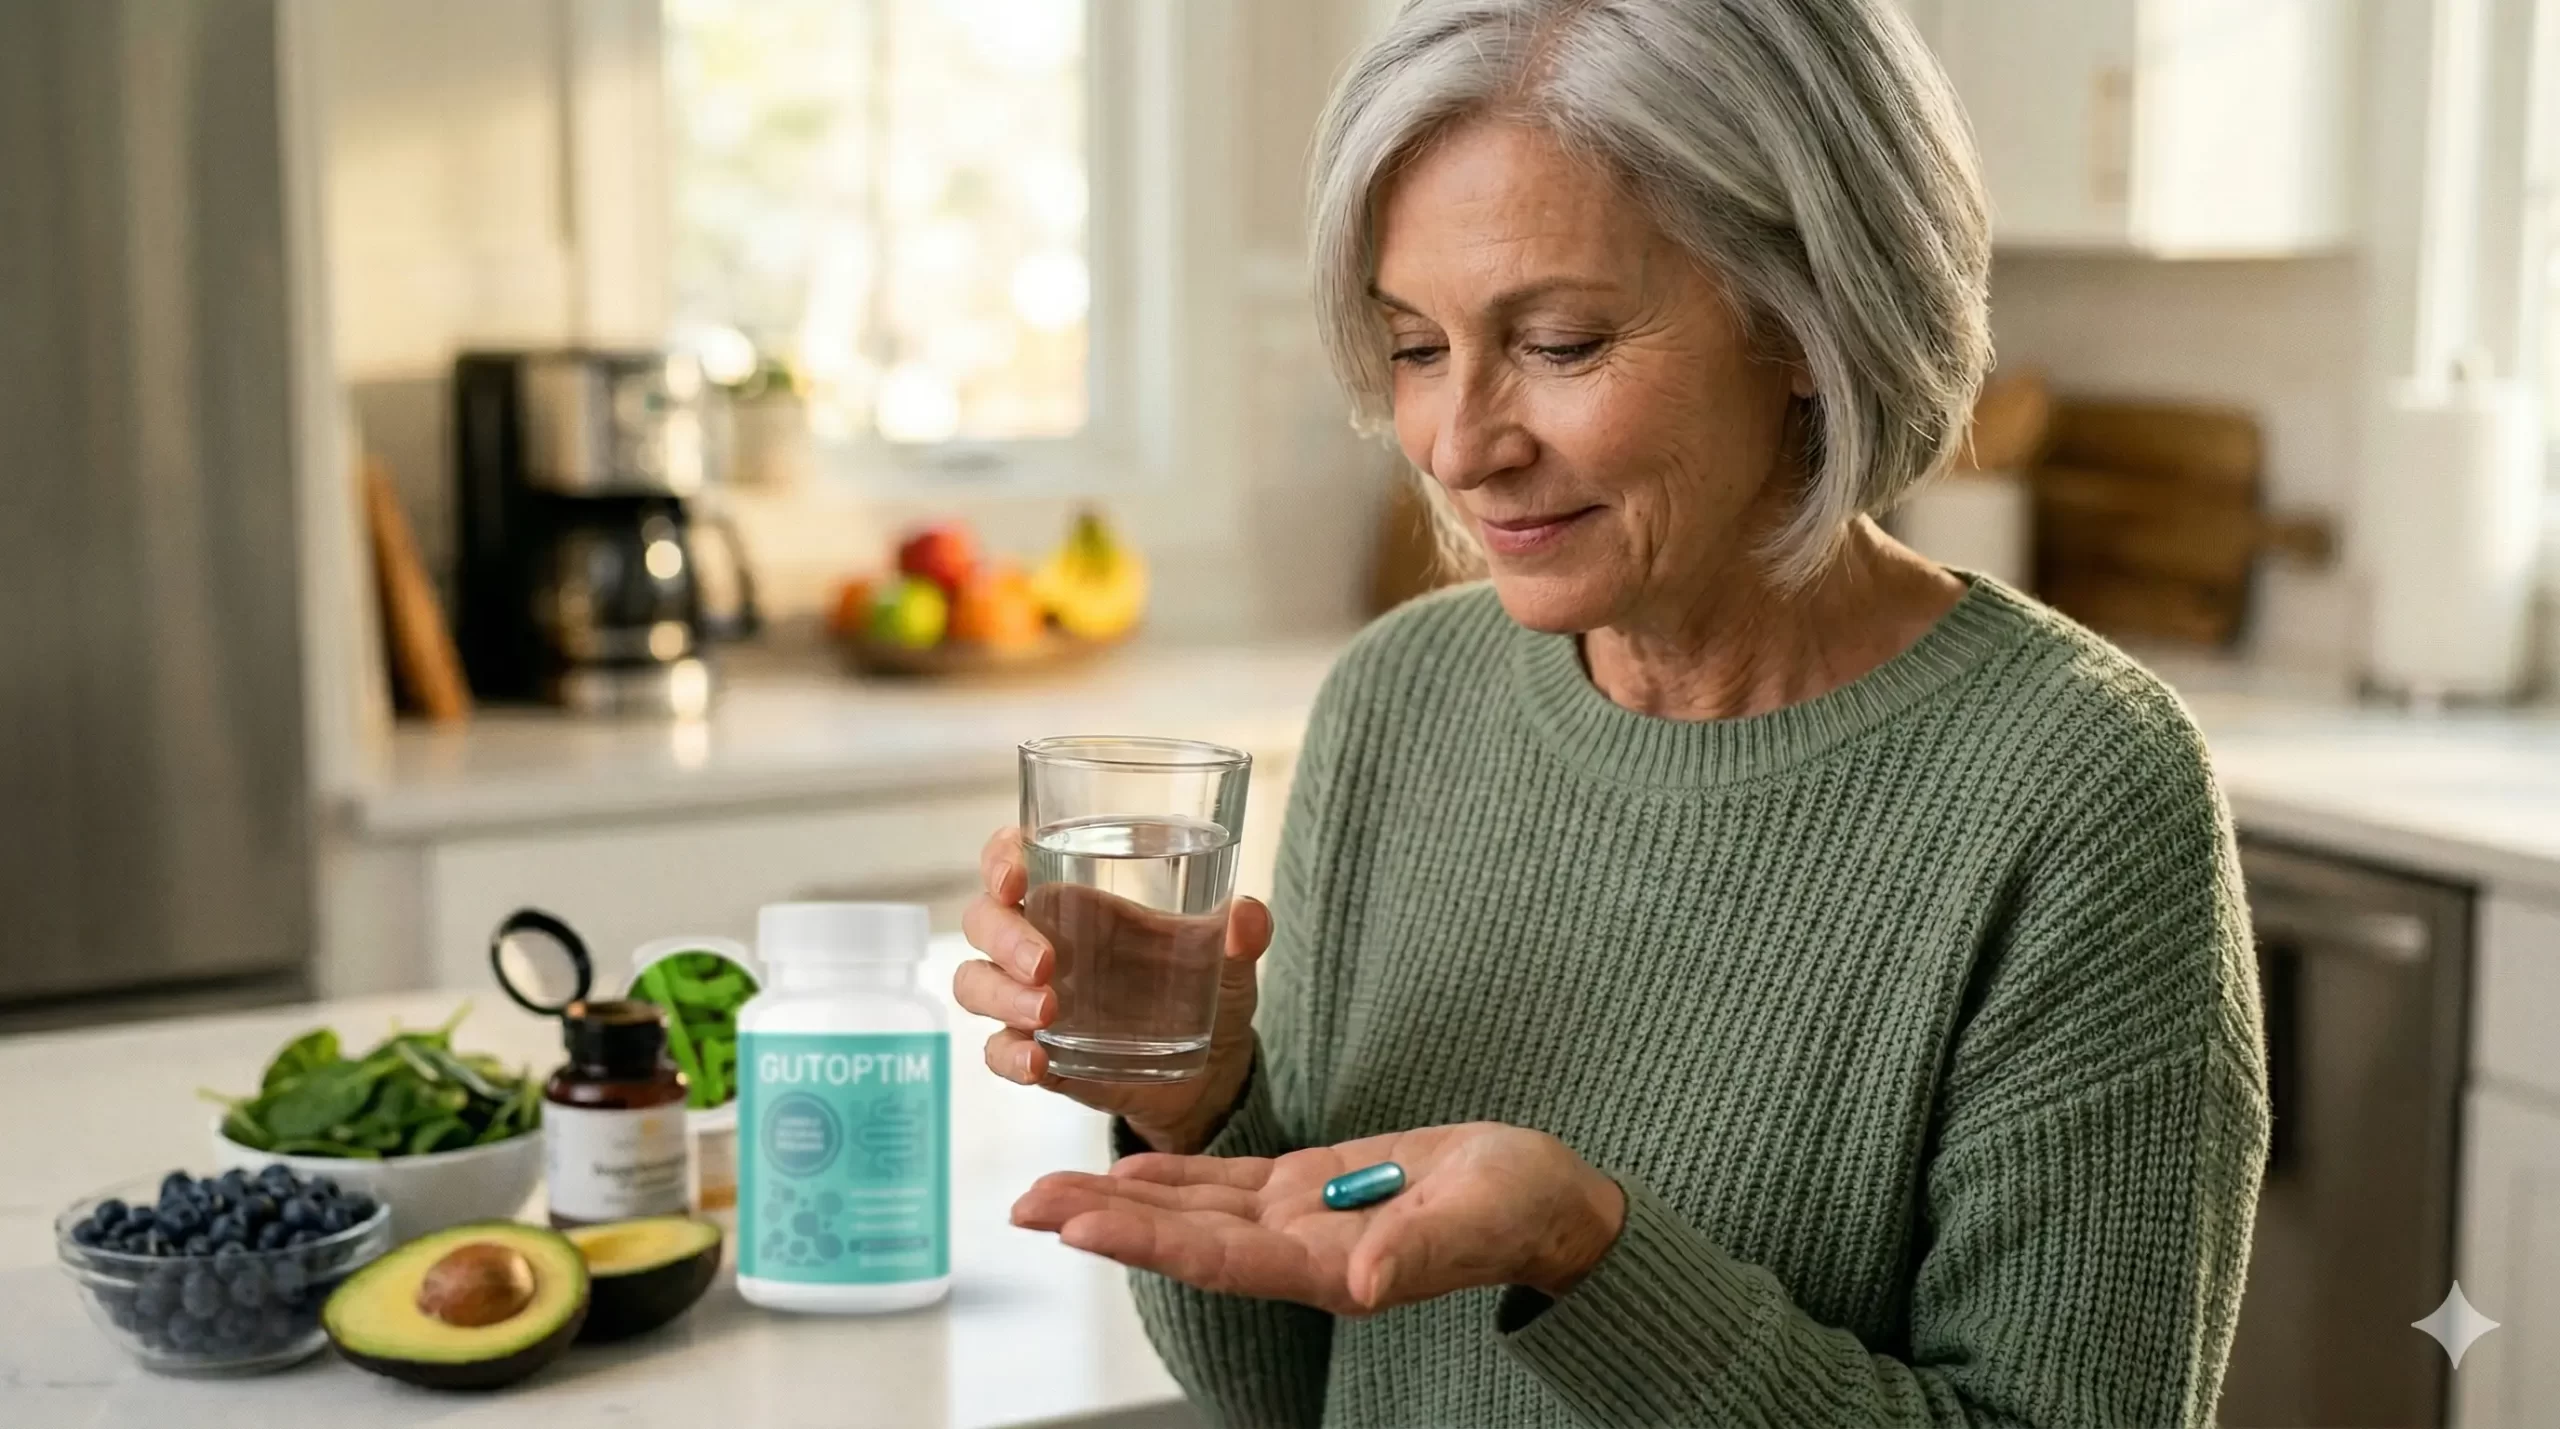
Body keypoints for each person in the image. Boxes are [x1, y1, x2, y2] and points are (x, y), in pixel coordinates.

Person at [955, 0, 2269, 1423]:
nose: (1461, 445)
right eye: (1415, 347)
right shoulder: (1399, 702)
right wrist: (1200, 1102)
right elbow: (1295, 1396)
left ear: (1808, 320)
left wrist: (1584, 1254)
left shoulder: (2077, 787)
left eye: (1565, 343)